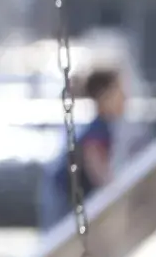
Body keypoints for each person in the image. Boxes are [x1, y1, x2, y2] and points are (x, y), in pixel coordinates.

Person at [37, 66, 127, 231]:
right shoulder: (99, 127)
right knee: (60, 236)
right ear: (103, 97)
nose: (124, 98)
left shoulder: (103, 125)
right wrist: (112, 188)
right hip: (63, 193)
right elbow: (93, 158)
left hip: (66, 192)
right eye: (119, 92)